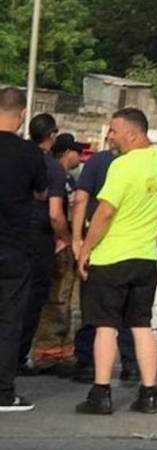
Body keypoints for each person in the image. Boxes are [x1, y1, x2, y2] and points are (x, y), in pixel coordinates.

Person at [76, 108, 157, 415]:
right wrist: (153, 239)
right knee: (141, 325)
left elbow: (104, 212)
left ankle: (101, 393)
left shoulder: (121, 166)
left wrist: (86, 248)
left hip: (111, 257)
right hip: (143, 258)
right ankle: (149, 392)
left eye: (114, 131)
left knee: (105, 326)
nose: (109, 136)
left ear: (133, 133)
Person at [69, 140, 139, 383]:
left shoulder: (97, 162)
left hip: (100, 246)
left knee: (95, 310)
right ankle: (132, 365)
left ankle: (88, 363)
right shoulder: (146, 164)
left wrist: (78, 239)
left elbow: (81, 199)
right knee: (131, 314)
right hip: (134, 248)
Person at [0, 88, 47, 411]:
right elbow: (42, 193)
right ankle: (3, 392)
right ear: (20, 116)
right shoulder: (30, 153)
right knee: (8, 321)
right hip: (14, 247)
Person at [17, 113, 70, 375]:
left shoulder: (18, 157)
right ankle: (17, 358)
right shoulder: (53, 168)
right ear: (52, 135)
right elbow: (55, 213)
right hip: (40, 240)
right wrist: (66, 238)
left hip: (14, 235)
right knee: (33, 301)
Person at [30, 134, 84, 371]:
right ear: (66, 152)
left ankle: (61, 351)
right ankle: (47, 353)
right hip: (60, 245)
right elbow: (55, 213)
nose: (79, 157)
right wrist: (64, 238)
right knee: (57, 299)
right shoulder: (57, 174)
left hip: (68, 244)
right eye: (77, 152)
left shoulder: (67, 178)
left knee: (66, 300)